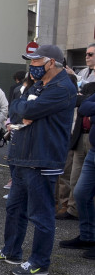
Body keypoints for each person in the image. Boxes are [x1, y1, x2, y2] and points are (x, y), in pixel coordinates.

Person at [0, 44, 77, 275]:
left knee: (41, 213)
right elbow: (18, 108)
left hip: (42, 159)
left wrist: (27, 111)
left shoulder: (62, 87)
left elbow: (29, 110)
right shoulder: (37, 85)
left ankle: (39, 262)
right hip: (22, 156)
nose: (32, 67)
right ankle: (11, 251)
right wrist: (25, 111)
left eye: (36, 62)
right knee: (15, 208)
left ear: (52, 63)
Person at [57, 82, 95, 220]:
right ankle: (73, 210)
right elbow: (82, 106)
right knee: (75, 179)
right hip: (81, 136)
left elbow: (84, 104)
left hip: (91, 138)